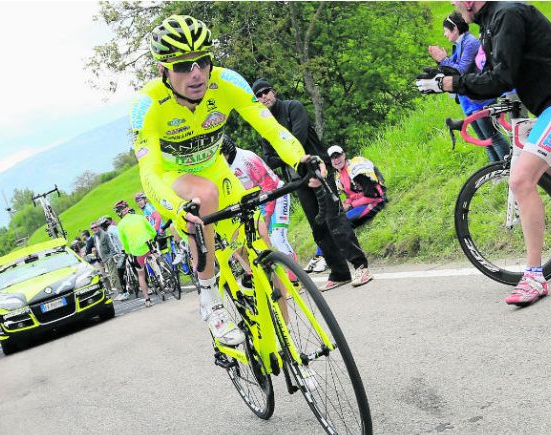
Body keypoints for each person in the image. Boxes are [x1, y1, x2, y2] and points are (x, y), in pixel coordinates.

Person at [130, 14, 324, 347]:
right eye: (182, 66)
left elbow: (271, 128)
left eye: (202, 62)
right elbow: (148, 172)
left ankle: (288, 348)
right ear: (163, 70)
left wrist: (299, 158)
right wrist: (176, 207)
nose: (195, 73)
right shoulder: (147, 105)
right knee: (203, 194)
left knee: (261, 250)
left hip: (218, 171)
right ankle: (210, 301)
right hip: (173, 180)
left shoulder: (227, 82)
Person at [415, 1, 551, 306]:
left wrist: (449, 84)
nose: (454, 7)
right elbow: (490, 79)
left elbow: (503, 77)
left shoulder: (507, 15)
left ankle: (535, 276)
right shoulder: (491, 23)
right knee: (546, 171)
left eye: (456, 0)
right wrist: (445, 76)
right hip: (550, 102)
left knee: (522, 179)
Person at [252, 77, 373, 291]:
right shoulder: (263, 125)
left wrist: (281, 154)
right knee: (318, 227)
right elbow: (268, 159)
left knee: (334, 219)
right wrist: (284, 156)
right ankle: (340, 272)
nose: (264, 97)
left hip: (318, 169)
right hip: (297, 180)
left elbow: (295, 141)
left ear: (273, 92)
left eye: (266, 91)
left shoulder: (293, 107)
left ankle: (360, 266)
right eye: (259, 95)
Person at [428, 11, 510, 163]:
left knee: (493, 137)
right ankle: (496, 172)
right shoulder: (459, 45)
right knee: (484, 140)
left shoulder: (470, 43)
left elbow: (460, 70)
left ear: (455, 29)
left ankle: (509, 168)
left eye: (446, 30)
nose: (444, 34)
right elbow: (450, 70)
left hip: (480, 99)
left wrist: (443, 59)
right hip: (469, 99)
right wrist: (440, 62)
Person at [220, 134, 299, 279]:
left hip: (276, 194)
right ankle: (273, 276)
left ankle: (295, 277)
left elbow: (268, 185)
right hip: (257, 202)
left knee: (277, 237)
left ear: (227, 152)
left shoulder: (246, 159)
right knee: (261, 243)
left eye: (221, 156)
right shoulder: (226, 167)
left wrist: (267, 215)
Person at [326, 145, 388, 228]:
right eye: (332, 158)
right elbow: (353, 195)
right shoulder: (339, 176)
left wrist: (352, 204)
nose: (336, 160)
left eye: (338, 156)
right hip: (362, 202)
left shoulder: (356, 169)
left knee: (342, 224)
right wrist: (346, 203)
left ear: (344, 155)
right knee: (334, 219)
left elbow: (373, 196)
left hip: (376, 201)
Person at [113, 200, 155, 308]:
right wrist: (152, 237)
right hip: (148, 246)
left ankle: (147, 299)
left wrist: (128, 252)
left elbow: (125, 244)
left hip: (137, 252)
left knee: (141, 274)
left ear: (119, 213)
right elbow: (152, 231)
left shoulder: (121, 225)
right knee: (155, 255)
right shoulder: (140, 217)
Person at [94, 216, 121, 297]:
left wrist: (112, 256)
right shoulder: (97, 237)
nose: (94, 229)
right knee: (113, 276)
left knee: (114, 276)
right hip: (105, 259)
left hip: (110, 258)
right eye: (92, 228)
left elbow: (112, 245)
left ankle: (121, 292)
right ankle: (122, 290)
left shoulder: (105, 234)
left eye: (96, 227)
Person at [104, 216, 130, 301]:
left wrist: (122, 249)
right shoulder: (112, 229)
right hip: (124, 250)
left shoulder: (111, 230)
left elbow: (119, 238)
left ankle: (125, 292)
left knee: (120, 272)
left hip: (123, 251)